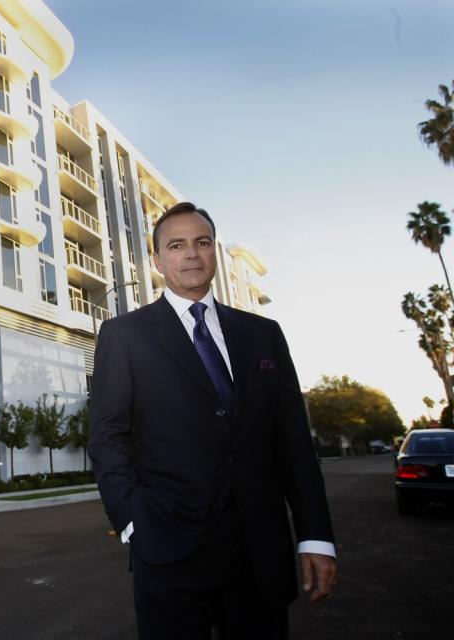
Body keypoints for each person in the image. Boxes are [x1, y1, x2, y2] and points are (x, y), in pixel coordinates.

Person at [88, 202, 336, 639]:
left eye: (202, 243)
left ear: (214, 253)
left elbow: (293, 442)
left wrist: (315, 536)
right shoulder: (124, 336)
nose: (191, 254)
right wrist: (131, 520)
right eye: (177, 245)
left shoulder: (264, 335)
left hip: (259, 551)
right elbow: (108, 437)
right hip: (169, 549)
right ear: (157, 260)